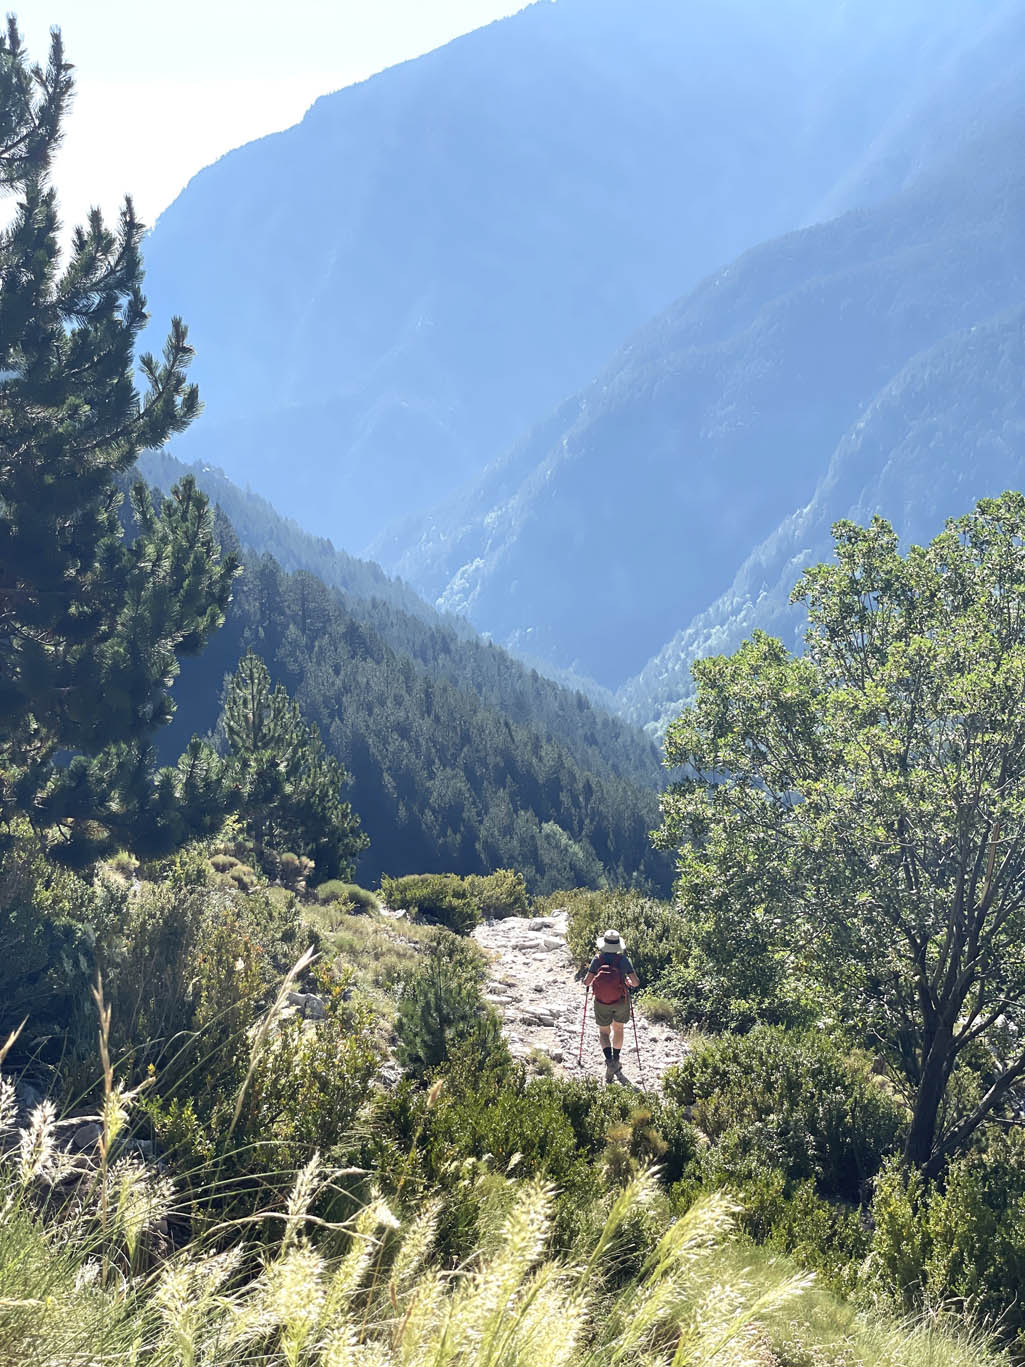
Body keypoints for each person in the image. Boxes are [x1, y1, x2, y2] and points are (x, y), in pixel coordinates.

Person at [583, 928, 640, 1081]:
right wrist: (626, 982)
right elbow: (635, 982)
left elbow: (587, 982)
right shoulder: (623, 960)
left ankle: (609, 1061)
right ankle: (616, 1059)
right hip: (621, 1000)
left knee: (603, 1032)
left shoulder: (598, 959)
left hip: (602, 1001)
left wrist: (592, 980)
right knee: (619, 1028)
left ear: (604, 944)